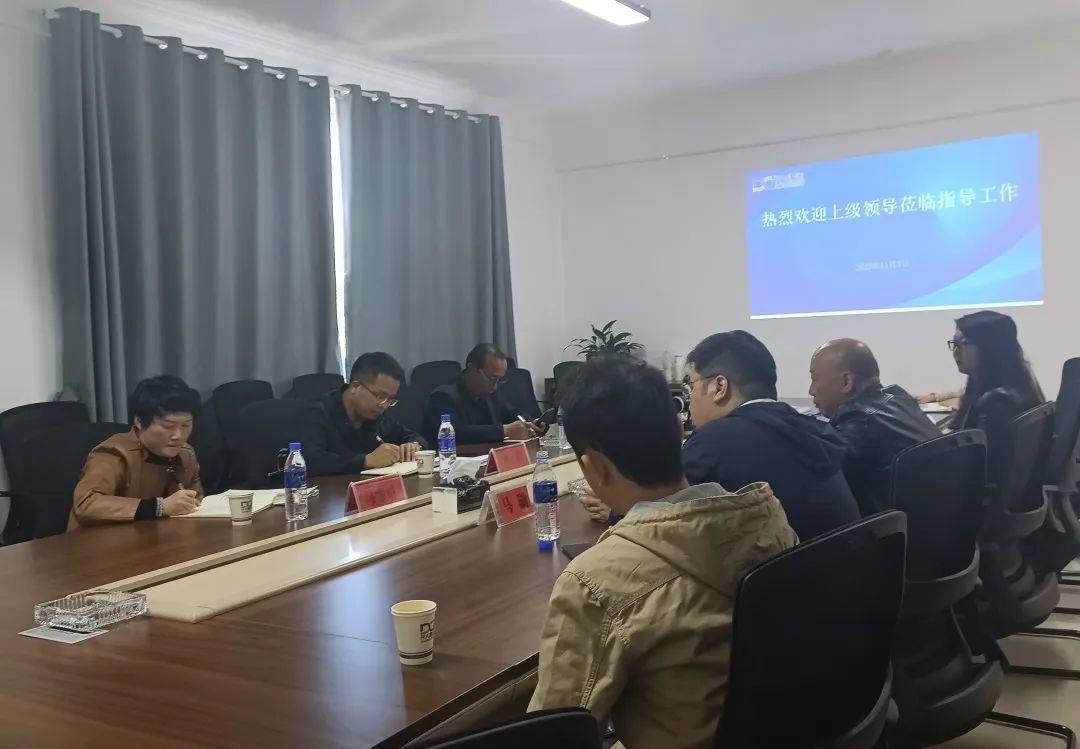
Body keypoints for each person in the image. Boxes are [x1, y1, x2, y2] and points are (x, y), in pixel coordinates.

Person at [528, 357, 796, 748]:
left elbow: (551, 736)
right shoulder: (769, 518)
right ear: (678, 430)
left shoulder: (597, 581)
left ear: (594, 468)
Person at [680, 331, 860, 541]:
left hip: (788, 562)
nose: (689, 398)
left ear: (719, 387)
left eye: (691, 386)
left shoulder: (712, 441)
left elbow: (658, 518)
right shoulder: (813, 429)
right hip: (849, 558)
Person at [809, 338, 939, 515]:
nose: (811, 390)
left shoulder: (860, 423)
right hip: (936, 519)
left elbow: (820, 488)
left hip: (896, 528)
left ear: (846, 381)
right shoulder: (900, 399)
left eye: (814, 379)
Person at [69, 375, 204, 528]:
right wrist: (159, 507)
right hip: (97, 539)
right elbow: (86, 504)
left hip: (159, 537)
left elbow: (196, 503)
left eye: (186, 425)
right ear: (139, 421)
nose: (178, 436)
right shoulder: (114, 453)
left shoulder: (185, 454)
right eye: (168, 426)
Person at [947, 310, 1044, 476]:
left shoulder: (998, 403)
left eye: (962, 343)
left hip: (974, 487)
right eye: (953, 344)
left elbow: (984, 466)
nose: (956, 351)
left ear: (989, 347)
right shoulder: (1012, 385)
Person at [302, 352, 426, 476]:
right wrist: (366, 461)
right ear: (355, 387)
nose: (383, 405)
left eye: (390, 399)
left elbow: (412, 436)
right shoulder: (319, 411)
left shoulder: (377, 416)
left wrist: (414, 446)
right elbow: (311, 461)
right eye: (380, 396)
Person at [422, 343, 539, 446]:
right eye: (491, 379)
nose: (495, 386)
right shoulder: (443, 396)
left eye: (500, 380)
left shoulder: (491, 394)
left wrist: (532, 423)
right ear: (471, 368)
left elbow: (512, 413)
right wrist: (503, 431)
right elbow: (457, 432)